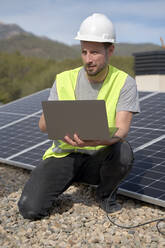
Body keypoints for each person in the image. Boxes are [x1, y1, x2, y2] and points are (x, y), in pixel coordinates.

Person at [18, 13, 140, 220]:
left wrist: (103, 139)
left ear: (110, 50)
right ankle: (68, 178)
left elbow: (122, 128)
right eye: (84, 52)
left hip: (99, 157)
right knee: (30, 209)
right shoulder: (64, 79)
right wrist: (58, 120)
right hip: (65, 156)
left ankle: (104, 194)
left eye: (94, 52)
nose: (88, 59)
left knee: (124, 151)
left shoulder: (124, 82)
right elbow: (42, 125)